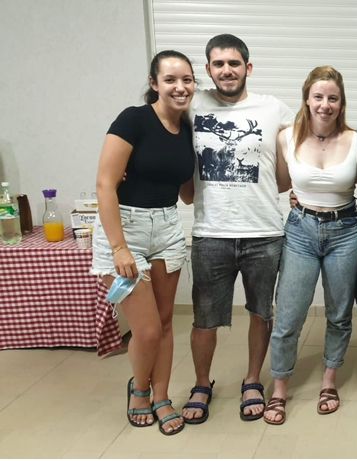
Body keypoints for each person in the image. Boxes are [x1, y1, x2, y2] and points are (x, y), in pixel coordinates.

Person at [179, 34, 294, 424]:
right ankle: (201, 384)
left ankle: (252, 380)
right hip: (211, 232)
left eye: (234, 63)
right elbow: (160, 135)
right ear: (208, 69)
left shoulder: (273, 108)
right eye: (218, 64)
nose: (226, 70)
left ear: (248, 67)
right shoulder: (192, 106)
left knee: (261, 313)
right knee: (204, 318)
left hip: (264, 232)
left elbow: (308, 143)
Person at [91, 50, 195, 436]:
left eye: (187, 79)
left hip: (167, 227)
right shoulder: (133, 120)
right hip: (126, 229)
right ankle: (139, 390)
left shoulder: (187, 128)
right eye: (170, 79)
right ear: (154, 83)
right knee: (147, 330)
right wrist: (119, 247)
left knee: (165, 323)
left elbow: (187, 194)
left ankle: (162, 396)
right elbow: (105, 184)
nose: (180, 87)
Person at [263, 66, 357, 425]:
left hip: (345, 231)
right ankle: (280, 388)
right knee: (288, 315)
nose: (325, 104)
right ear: (307, 99)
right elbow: (279, 184)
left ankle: (329, 381)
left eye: (333, 98)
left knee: (339, 313)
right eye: (318, 97)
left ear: (341, 103)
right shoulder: (286, 138)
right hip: (301, 230)